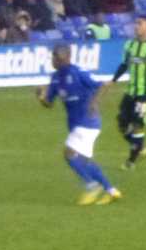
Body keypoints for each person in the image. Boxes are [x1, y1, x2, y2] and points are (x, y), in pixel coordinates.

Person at [38, 45, 120, 206]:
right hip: (77, 125)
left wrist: (95, 103)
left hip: (88, 121)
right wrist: (41, 98)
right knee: (84, 161)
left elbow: (102, 85)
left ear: (67, 58)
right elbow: (49, 103)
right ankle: (111, 191)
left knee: (68, 153)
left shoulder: (78, 73)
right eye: (54, 57)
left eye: (58, 58)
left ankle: (91, 186)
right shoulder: (55, 78)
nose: (55, 60)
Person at [111, 16, 146, 169]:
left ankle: (131, 161)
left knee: (137, 124)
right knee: (121, 123)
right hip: (131, 91)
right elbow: (124, 64)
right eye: (135, 23)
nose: (136, 26)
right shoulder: (130, 44)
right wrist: (113, 80)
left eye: (139, 23)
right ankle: (140, 147)